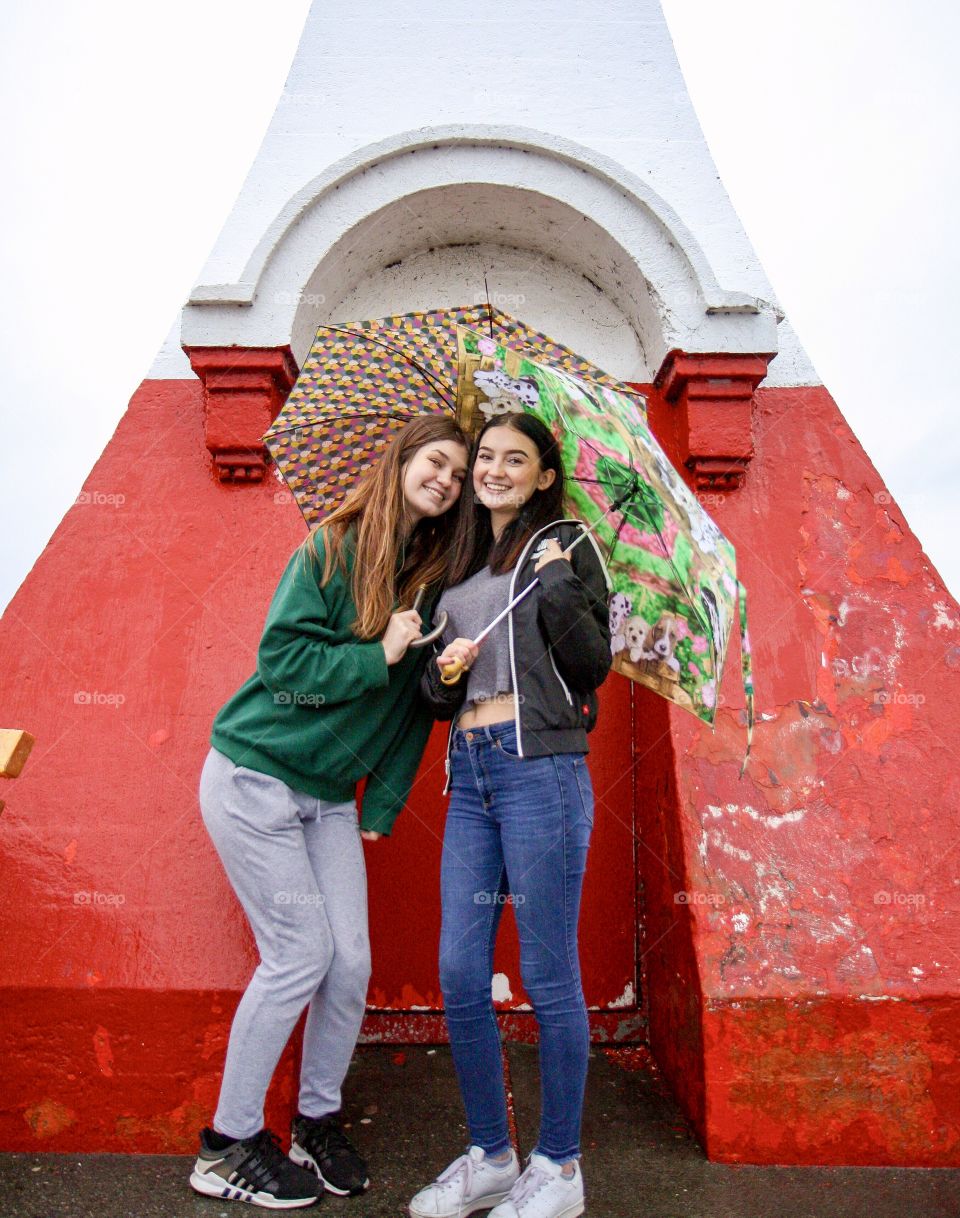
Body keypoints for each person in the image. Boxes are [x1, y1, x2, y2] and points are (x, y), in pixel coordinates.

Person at [190, 414, 469, 1210]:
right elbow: (281, 665)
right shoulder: (331, 546)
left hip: (330, 802)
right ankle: (226, 1145)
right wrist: (373, 653)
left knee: (349, 965)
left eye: (456, 474)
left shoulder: (430, 585)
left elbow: (412, 711)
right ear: (403, 460)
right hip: (255, 779)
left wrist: (383, 796)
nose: (445, 480)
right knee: (298, 956)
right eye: (436, 462)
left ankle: (315, 1121)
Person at [410, 411, 611, 1218]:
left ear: (543, 474)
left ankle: (559, 1168)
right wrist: (448, 673)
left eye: (512, 459)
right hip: (472, 773)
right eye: (484, 456)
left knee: (548, 971)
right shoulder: (453, 561)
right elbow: (430, 697)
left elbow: (592, 663)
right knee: (460, 969)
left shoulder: (566, 545)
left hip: (542, 774)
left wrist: (560, 581)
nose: (492, 470)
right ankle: (492, 1156)